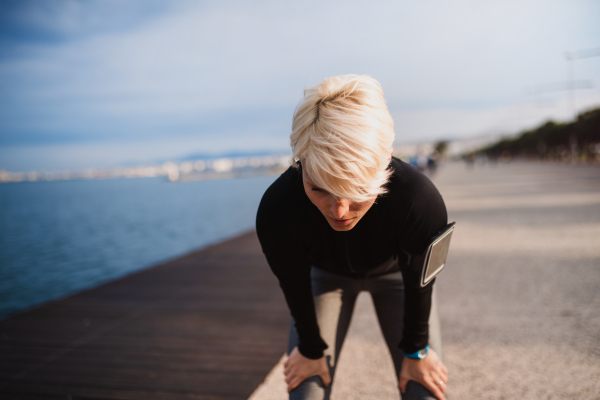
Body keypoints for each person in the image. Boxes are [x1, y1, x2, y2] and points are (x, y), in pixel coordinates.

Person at [256, 75, 449, 400]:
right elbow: (294, 286)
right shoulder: (278, 210)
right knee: (306, 390)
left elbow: (421, 282)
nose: (339, 210)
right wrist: (310, 349)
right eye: (319, 189)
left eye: (355, 190)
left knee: (425, 390)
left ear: (386, 159)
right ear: (300, 163)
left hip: (397, 276)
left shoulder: (419, 201)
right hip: (325, 277)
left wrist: (417, 352)